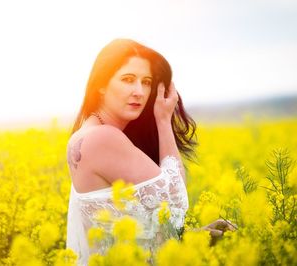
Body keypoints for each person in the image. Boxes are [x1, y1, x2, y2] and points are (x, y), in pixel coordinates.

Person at [66, 39, 235, 265]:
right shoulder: (102, 138)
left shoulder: (87, 133)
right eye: (127, 80)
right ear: (101, 85)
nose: (139, 91)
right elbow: (174, 205)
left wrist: (194, 235)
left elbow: (130, 226)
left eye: (146, 82)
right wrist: (163, 120)